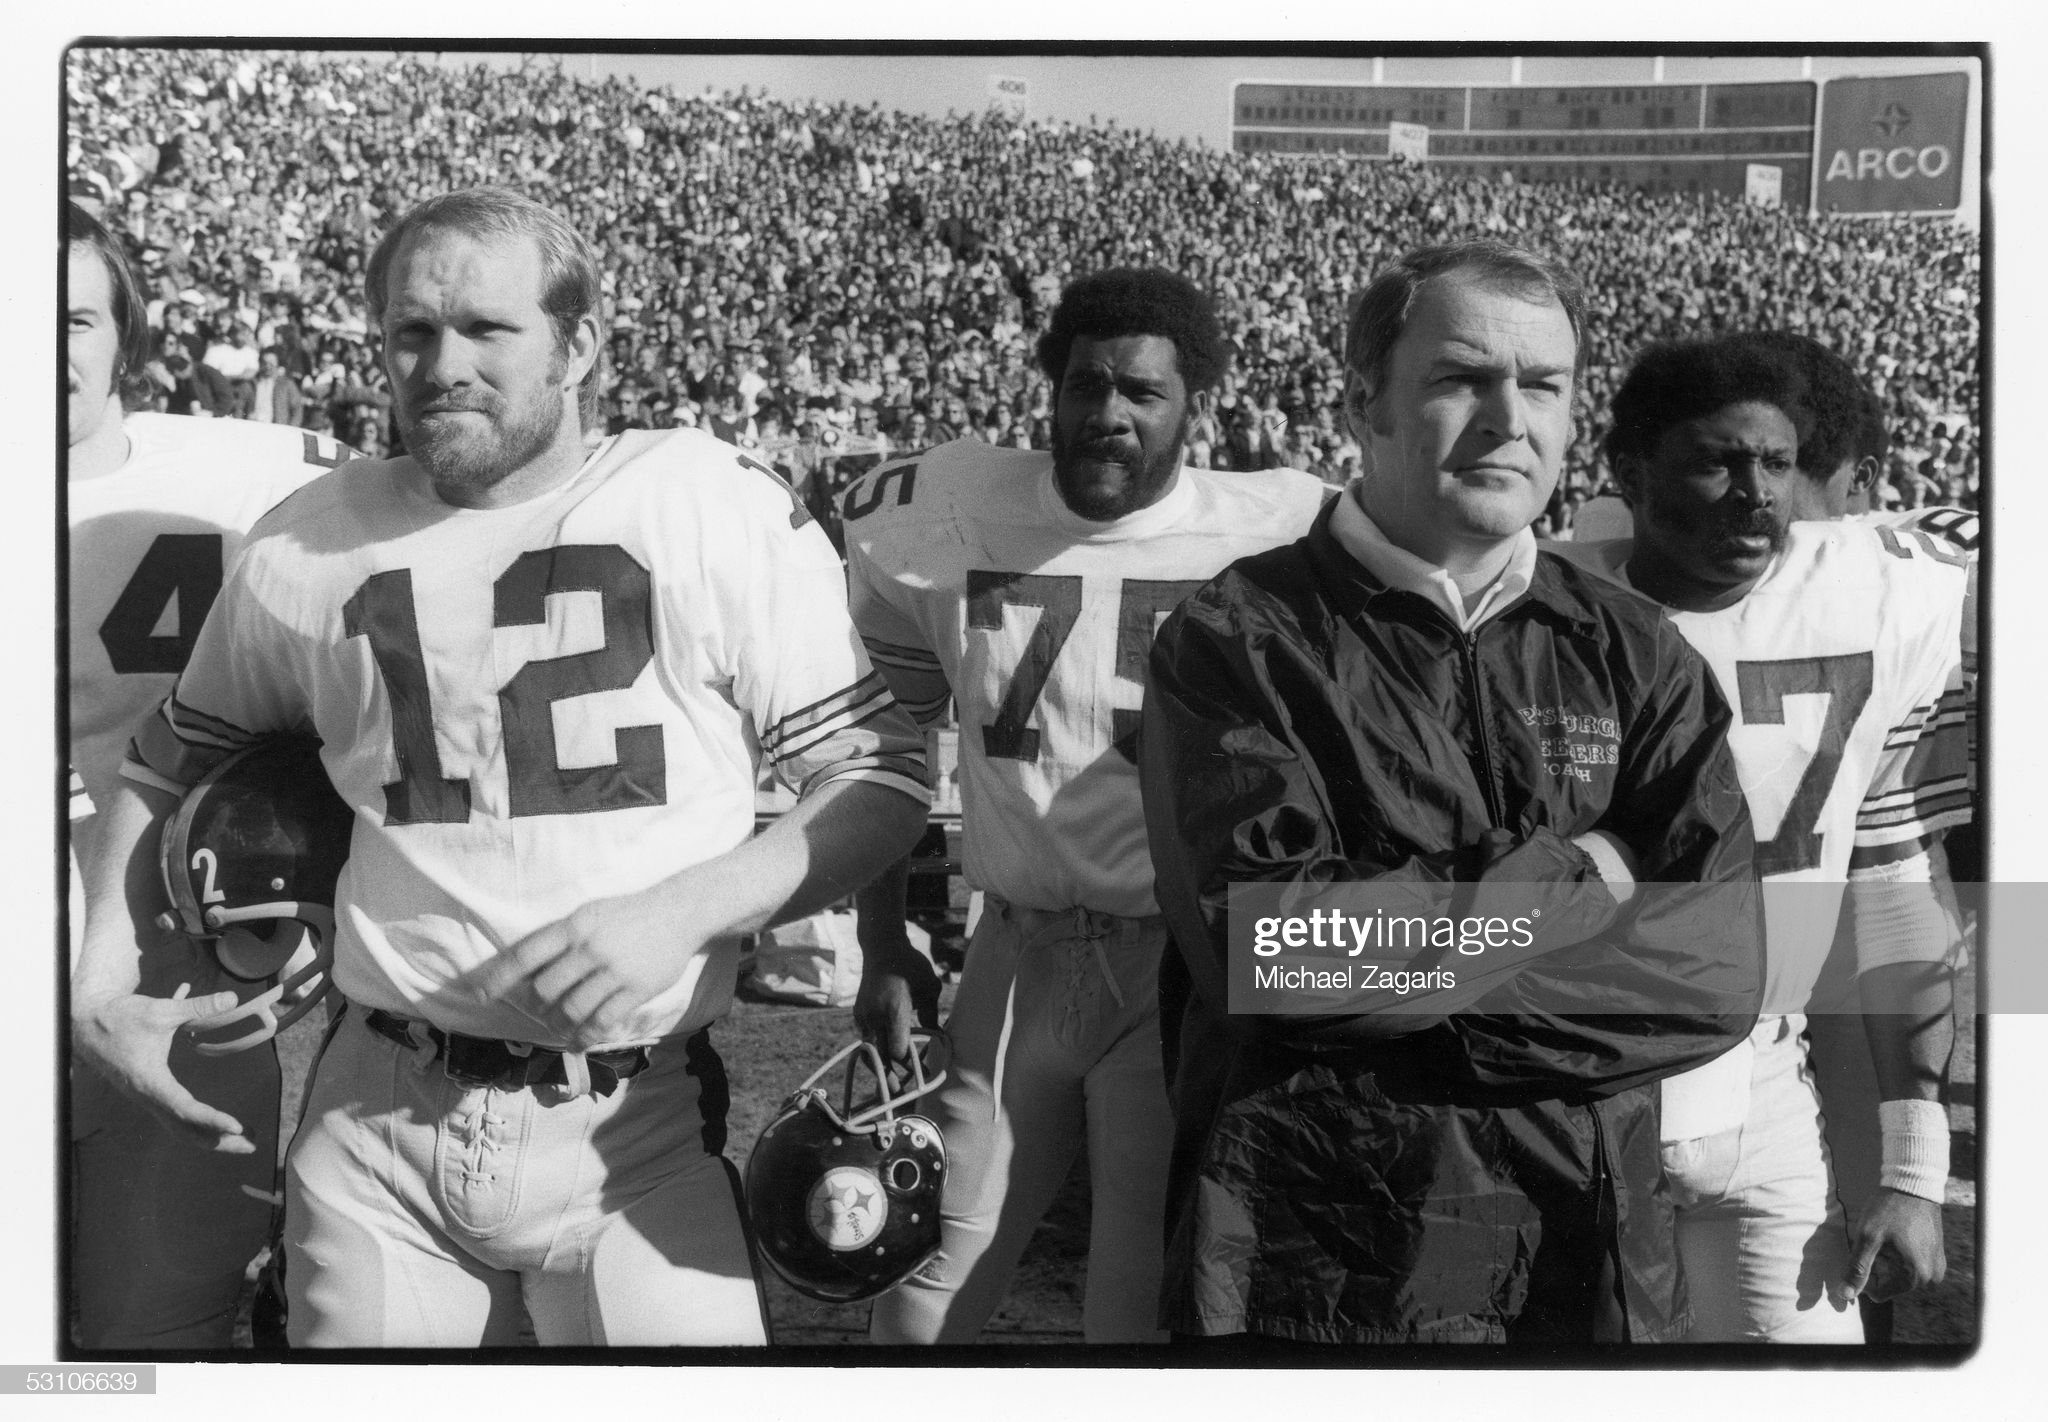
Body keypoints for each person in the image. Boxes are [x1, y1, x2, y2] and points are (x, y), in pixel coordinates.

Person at [72, 187, 931, 1348]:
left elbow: (878, 777)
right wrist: (98, 981)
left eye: (487, 328)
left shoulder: (700, 497)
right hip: (379, 1117)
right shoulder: (306, 538)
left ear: (580, 345)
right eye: (411, 333)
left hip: (635, 1119)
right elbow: (168, 761)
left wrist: (683, 909)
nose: (443, 364)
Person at [1139, 240, 1765, 1345]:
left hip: (1578, 1251)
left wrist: (1398, 984)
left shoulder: (1638, 649)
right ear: (1361, 401)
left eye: (1541, 386)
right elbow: (1275, 954)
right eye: (1460, 378)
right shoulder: (1234, 640)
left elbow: (1715, 971)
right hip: (1306, 1252)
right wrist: (1577, 882)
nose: (1505, 418)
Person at [844, 268, 1327, 1344]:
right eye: (1086, 385)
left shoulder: (1282, 532)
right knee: (919, 1298)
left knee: (1134, 1301)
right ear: (1051, 388)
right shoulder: (943, 513)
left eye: (1141, 394)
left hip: (1179, 972)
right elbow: (889, 751)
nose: (1107, 414)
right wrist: (883, 941)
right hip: (1011, 960)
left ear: (1191, 406)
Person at [1567, 333, 1969, 1342]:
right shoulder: (1529, 604)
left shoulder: (1886, 597)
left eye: (1776, 465)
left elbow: (1889, 878)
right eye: (1714, 462)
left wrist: (1914, 1169)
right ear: (1627, 473)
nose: (1754, 496)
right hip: (1567, 1089)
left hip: (1760, 1085)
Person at [65, 198, 357, 1350]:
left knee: (155, 1337)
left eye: (73, 319)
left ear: (124, 336)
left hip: (173, 968)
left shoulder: (260, 477)